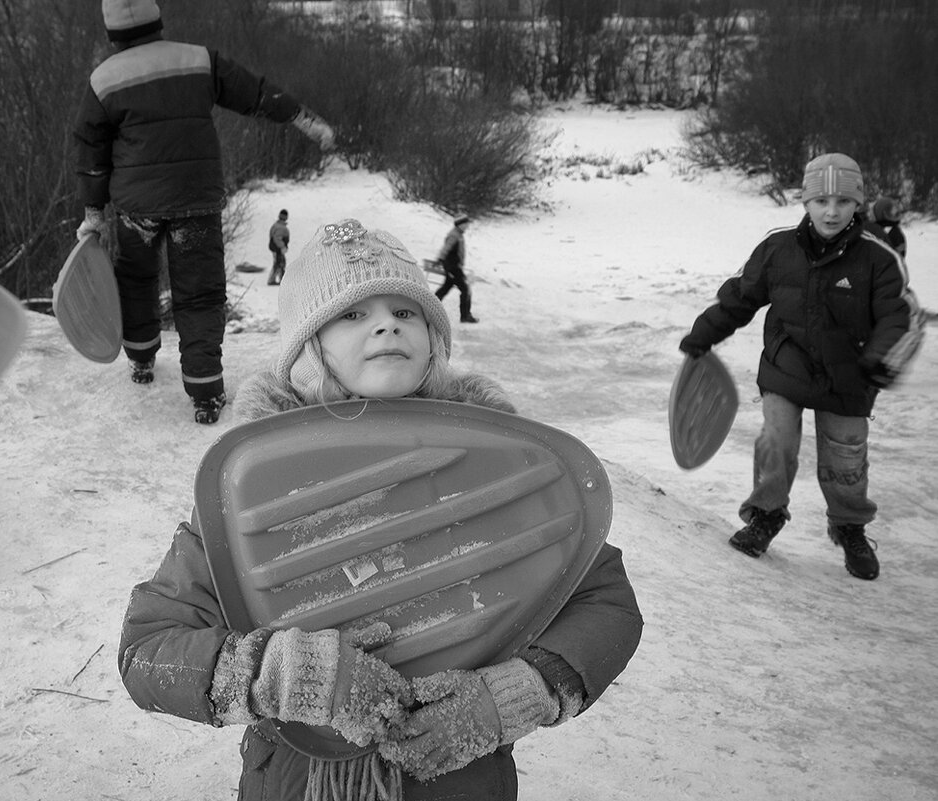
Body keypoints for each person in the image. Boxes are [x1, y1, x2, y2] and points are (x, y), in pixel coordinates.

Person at [118, 218, 643, 801]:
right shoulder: (256, 492)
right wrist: (281, 675)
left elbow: (608, 606)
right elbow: (150, 650)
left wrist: (516, 694)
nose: (387, 323)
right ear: (308, 349)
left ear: (432, 339)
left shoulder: (501, 469)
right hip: (295, 781)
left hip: (458, 780)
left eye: (407, 310)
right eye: (352, 314)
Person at [72, 0, 336, 424]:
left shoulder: (103, 81)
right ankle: (205, 392)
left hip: (136, 206)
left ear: (112, 34)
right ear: (158, 20)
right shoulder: (197, 60)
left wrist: (93, 210)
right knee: (200, 294)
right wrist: (302, 117)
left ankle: (140, 358)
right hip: (196, 200)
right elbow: (256, 92)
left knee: (136, 282)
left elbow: (91, 152)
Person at [679, 153, 923, 581]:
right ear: (805, 202)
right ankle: (765, 515)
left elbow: (897, 316)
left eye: (843, 202)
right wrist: (703, 335)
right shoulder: (779, 248)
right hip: (787, 365)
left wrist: (881, 358)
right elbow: (739, 296)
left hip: (850, 373)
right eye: (821, 200)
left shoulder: (879, 258)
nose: (831, 211)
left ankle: (850, 526)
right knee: (775, 440)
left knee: (845, 459)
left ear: (858, 205)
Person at [435, 214, 477, 323]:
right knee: (465, 289)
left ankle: (428, 307)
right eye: (466, 224)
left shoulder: (458, 234)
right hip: (452, 267)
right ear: (460, 224)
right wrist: (440, 259)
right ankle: (465, 316)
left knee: (446, 288)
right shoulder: (454, 235)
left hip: (454, 266)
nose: (467, 226)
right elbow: (446, 248)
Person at [267, 208, 290, 285]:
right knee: (279, 263)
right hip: (277, 248)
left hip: (275, 248)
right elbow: (277, 238)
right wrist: (282, 247)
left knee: (280, 262)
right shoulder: (281, 227)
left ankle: (280, 279)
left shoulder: (277, 225)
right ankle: (274, 280)